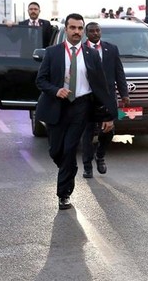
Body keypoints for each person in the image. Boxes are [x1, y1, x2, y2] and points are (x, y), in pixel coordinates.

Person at [35, 13, 115, 210]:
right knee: (56, 151)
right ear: (66, 29)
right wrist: (56, 90)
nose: (76, 32)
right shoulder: (52, 52)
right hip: (57, 107)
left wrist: (108, 115)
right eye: (73, 28)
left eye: (80, 28)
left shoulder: (92, 54)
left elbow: (101, 86)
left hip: (81, 106)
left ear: (83, 31)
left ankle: (64, 194)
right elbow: (40, 80)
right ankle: (69, 167)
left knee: (70, 148)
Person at [81, 22, 129, 178]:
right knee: (87, 133)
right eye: (91, 31)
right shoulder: (81, 50)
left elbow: (119, 73)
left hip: (107, 97)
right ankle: (87, 166)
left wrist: (124, 94)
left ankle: (100, 155)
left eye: (97, 31)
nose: (95, 33)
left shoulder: (111, 49)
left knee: (108, 130)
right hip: (87, 97)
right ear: (86, 33)